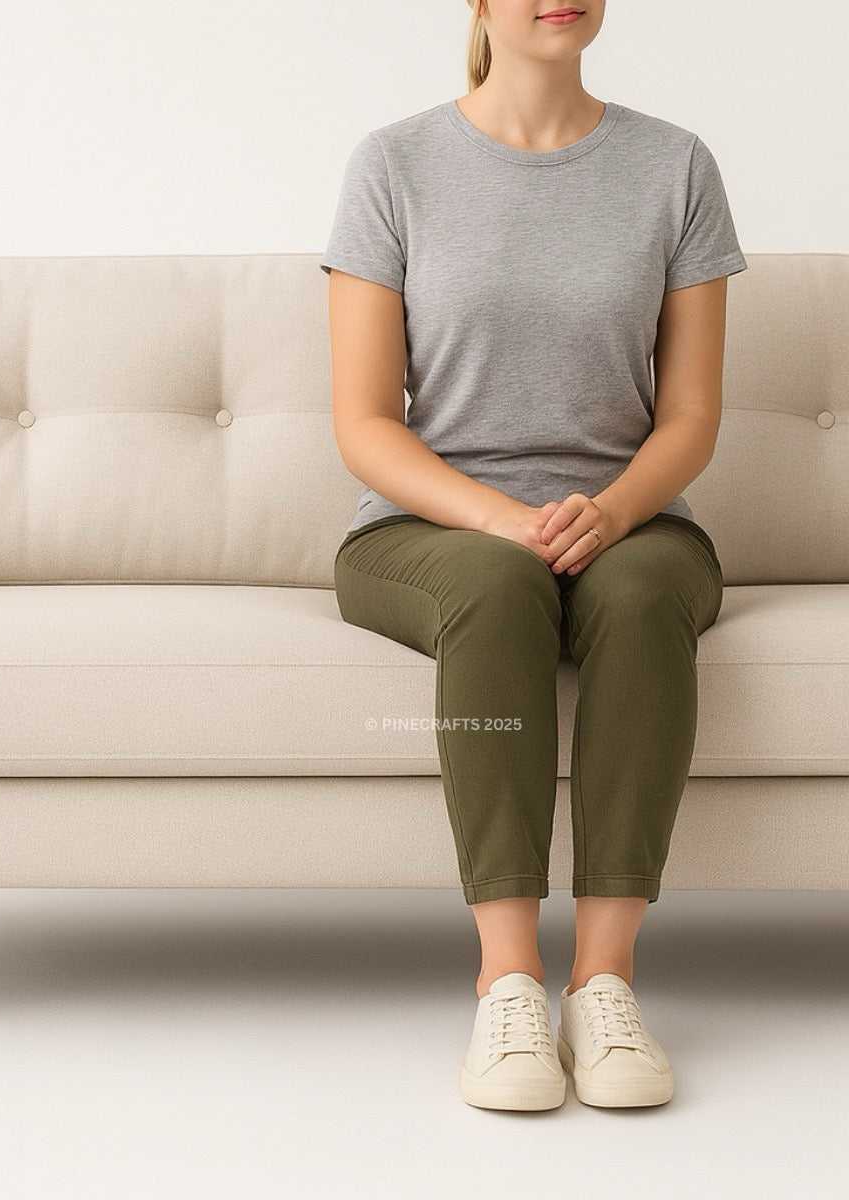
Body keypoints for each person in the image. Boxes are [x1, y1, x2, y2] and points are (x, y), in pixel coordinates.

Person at [320, 0, 746, 1112]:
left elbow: (691, 415)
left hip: (634, 518)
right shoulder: (394, 165)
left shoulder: (674, 167)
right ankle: (508, 981)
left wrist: (609, 512)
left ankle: (604, 986)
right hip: (427, 529)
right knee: (503, 585)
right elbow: (365, 422)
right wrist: (501, 520)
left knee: (649, 589)